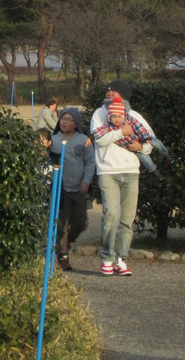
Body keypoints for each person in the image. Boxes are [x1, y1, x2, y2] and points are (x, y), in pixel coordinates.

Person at [89, 90, 154, 277]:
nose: (110, 95)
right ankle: (107, 257)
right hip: (108, 171)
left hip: (131, 172)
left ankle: (121, 259)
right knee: (111, 214)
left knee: (126, 219)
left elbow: (150, 140)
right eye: (108, 92)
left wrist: (142, 147)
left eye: (115, 92)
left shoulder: (134, 116)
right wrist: (121, 132)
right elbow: (100, 139)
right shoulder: (99, 114)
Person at [48, 107, 96, 271]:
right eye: (62, 118)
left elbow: (90, 163)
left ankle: (66, 243)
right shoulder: (53, 140)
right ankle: (63, 255)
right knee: (62, 224)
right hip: (60, 189)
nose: (64, 122)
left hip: (79, 189)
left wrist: (86, 181)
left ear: (76, 123)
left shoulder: (84, 140)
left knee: (81, 222)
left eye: (68, 119)